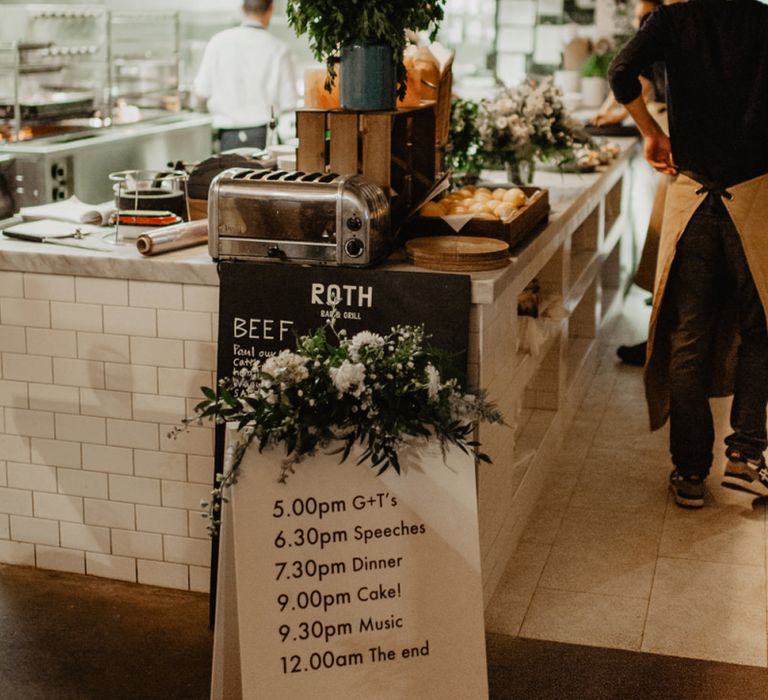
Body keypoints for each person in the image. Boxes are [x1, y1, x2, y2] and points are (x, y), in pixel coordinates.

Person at [608, 0, 768, 508]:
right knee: (759, 327)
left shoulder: (673, 20)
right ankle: (745, 454)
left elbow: (621, 72)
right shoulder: (764, 21)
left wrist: (652, 134)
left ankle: (690, 473)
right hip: (757, 194)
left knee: (687, 332)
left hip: (693, 191)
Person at [194, 0, 298, 152]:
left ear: (242, 9)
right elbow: (289, 102)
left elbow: (202, 90)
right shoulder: (279, 48)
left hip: (227, 137)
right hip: (263, 136)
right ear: (270, 10)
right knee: (259, 176)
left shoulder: (218, 42)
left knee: (227, 175)